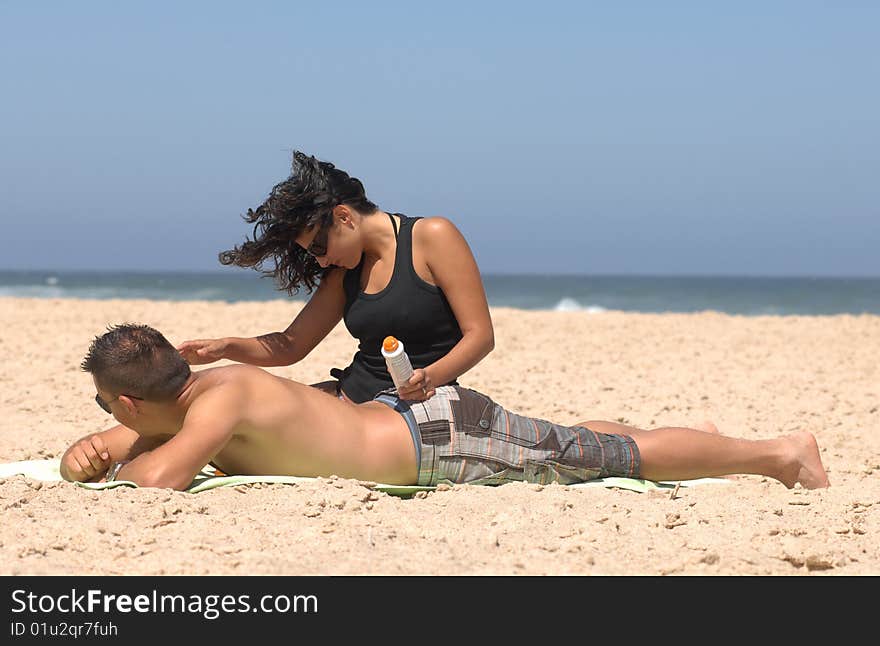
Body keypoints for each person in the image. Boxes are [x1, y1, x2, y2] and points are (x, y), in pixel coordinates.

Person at [61, 324, 830, 491]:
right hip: (430, 432)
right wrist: (100, 442)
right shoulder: (205, 402)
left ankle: (778, 453)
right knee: (571, 441)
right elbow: (163, 442)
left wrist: (112, 455)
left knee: (611, 461)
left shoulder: (223, 398)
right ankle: (698, 438)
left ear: (132, 402)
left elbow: (158, 482)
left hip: (442, 442)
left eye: (110, 409)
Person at [176, 151, 494, 404]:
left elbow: (480, 336)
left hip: (405, 411)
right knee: (225, 397)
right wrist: (224, 347)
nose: (321, 259)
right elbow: (291, 345)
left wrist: (430, 378)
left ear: (343, 216)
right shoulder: (344, 273)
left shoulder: (432, 237)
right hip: (347, 399)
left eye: (318, 246)